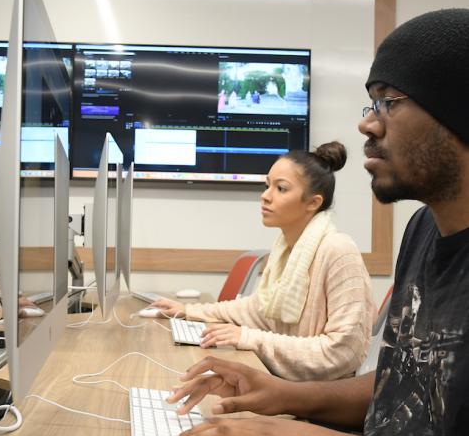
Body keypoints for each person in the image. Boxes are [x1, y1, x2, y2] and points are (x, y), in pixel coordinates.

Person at [166, 8, 469, 436]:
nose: (366, 122)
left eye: (388, 103)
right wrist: (283, 396)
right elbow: (407, 380)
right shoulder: (423, 230)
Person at [153, 141, 376, 381]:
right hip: (287, 384)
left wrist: (247, 338)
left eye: (281, 189)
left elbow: (342, 353)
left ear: (313, 203)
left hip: (320, 398)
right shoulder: (288, 250)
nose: (265, 196)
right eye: (267, 185)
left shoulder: (338, 251)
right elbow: (257, 310)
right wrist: (189, 311)